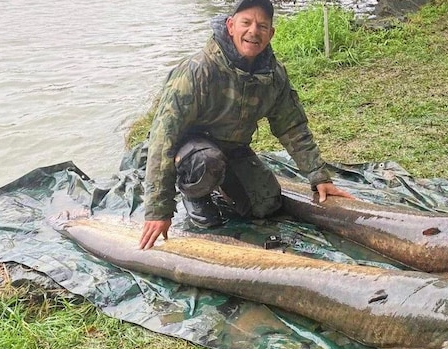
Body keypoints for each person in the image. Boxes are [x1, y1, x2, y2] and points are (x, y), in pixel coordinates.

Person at [139, 0, 354, 250]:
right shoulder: (197, 71)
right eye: (246, 23)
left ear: (271, 34)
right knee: (207, 161)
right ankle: (193, 192)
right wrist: (158, 210)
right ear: (231, 26)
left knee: (266, 203)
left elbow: (292, 127)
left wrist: (318, 175)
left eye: (263, 26)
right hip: (190, 149)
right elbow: (162, 139)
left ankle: (220, 182)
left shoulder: (273, 75)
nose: (254, 31)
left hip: (233, 148)